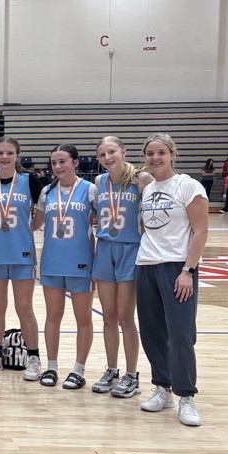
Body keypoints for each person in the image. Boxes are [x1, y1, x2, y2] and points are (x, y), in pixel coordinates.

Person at [136, 133, 208, 427]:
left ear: (173, 155)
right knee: (151, 333)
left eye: (161, 152)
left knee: (180, 334)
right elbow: (146, 228)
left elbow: (201, 232)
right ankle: (162, 389)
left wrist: (188, 270)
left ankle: (186, 396)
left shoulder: (188, 186)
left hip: (178, 268)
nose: (155, 158)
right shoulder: (147, 189)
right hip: (146, 265)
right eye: (150, 153)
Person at [0, 137, 45, 380]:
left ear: (17, 156)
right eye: (0, 153)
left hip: (22, 253)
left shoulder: (29, 181)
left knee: (24, 308)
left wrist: (27, 230)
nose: (4, 157)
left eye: (9, 153)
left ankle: (34, 358)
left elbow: (41, 214)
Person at [90, 136, 152, 398]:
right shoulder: (99, 182)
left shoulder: (142, 179)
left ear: (123, 152)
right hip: (104, 249)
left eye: (112, 152)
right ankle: (112, 370)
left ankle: (131, 375)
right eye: (102, 155)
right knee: (108, 316)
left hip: (130, 249)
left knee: (126, 317)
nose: (107, 158)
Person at [32, 145, 97, 389]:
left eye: (63, 161)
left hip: (81, 262)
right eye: (54, 163)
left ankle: (79, 370)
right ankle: (51, 367)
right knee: (53, 316)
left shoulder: (90, 190)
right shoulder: (47, 192)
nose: (58, 167)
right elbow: (34, 224)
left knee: (83, 318)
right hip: (51, 262)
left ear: (75, 163)